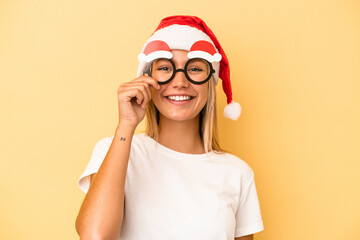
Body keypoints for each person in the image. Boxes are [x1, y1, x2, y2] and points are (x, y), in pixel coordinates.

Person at [75, 15, 264, 240]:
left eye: (194, 69)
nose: (180, 82)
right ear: (146, 80)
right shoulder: (115, 150)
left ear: (210, 83)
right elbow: (95, 237)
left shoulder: (237, 173)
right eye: (165, 67)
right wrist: (126, 126)